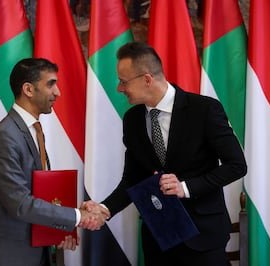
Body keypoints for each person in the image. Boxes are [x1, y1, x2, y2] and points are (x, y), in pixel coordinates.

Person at [82, 42, 247, 266]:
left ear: (147, 79)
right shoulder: (132, 120)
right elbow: (133, 178)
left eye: (123, 81)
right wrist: (105, 209)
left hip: (203, 237)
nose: (120, 88)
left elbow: (236, 165)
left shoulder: (204, 109)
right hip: (159, 238)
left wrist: (186, 187)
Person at [0, 58, 106, 266]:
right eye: (51, 84)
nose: (58, 92)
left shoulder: (32, 131)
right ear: (28, 89)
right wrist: (78, 217)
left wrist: (58, 231)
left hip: (35, 251)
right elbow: (20, 203)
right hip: (8, 256)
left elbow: (39, 193)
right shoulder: (4, 137)